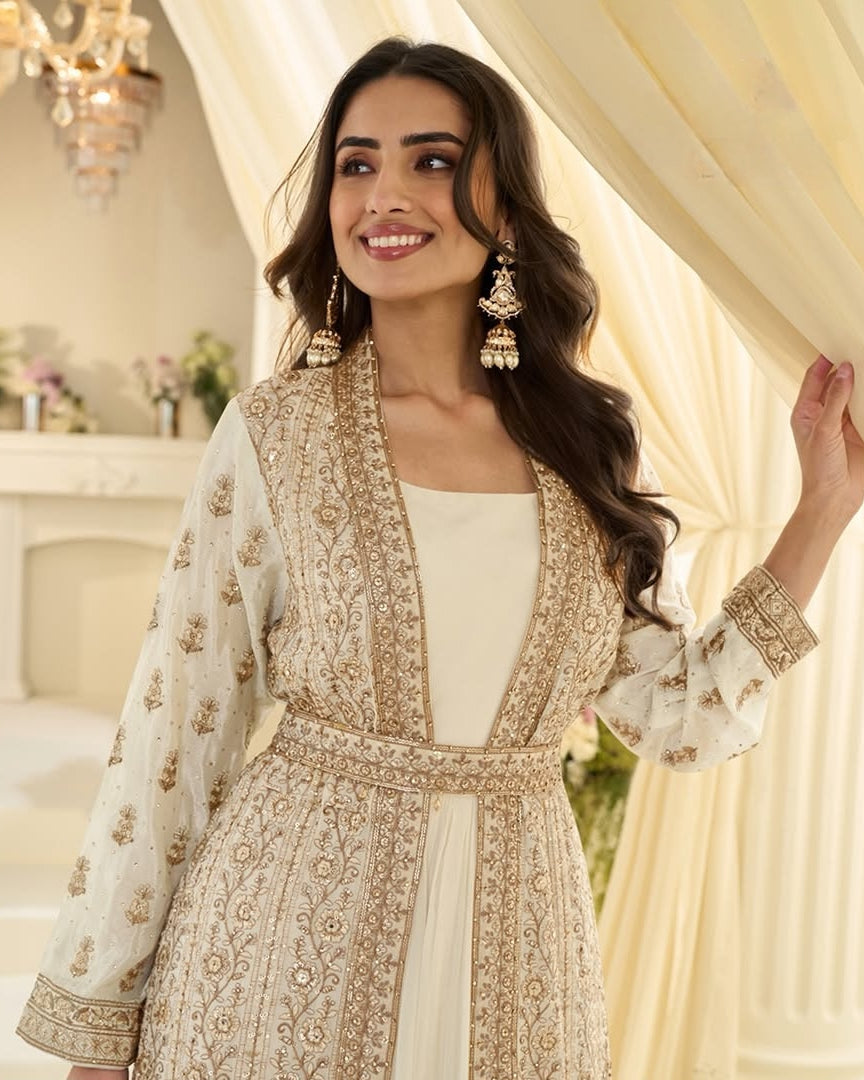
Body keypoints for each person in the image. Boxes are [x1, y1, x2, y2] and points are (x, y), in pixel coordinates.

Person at [16, 37, 862, 1080]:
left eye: (432, 160)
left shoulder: (587, 444)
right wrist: (101, 1027)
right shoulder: (278, 434)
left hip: (521, 958)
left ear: (506, 210)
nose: (385, 195)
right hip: (283, 947)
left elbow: (680, 716)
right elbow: (175, 732)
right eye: (356, 163)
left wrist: (825, 505)